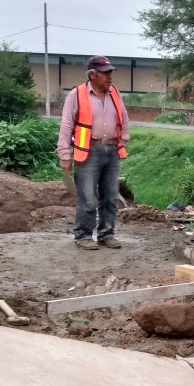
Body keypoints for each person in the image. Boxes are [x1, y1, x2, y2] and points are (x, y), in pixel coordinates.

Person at [56, 56, 130, 250]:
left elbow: (124, 118)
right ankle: (83, 235)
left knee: (111, 196)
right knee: (88, 198)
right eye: (105, 73)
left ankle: (106, 234)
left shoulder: (114, 93)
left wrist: (123, 139)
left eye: (110, 72)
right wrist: (64, 154)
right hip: (88, 151)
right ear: (92, 75)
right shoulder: (77, 94)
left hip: (112, 150)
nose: (109, 77)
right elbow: (66, 125)